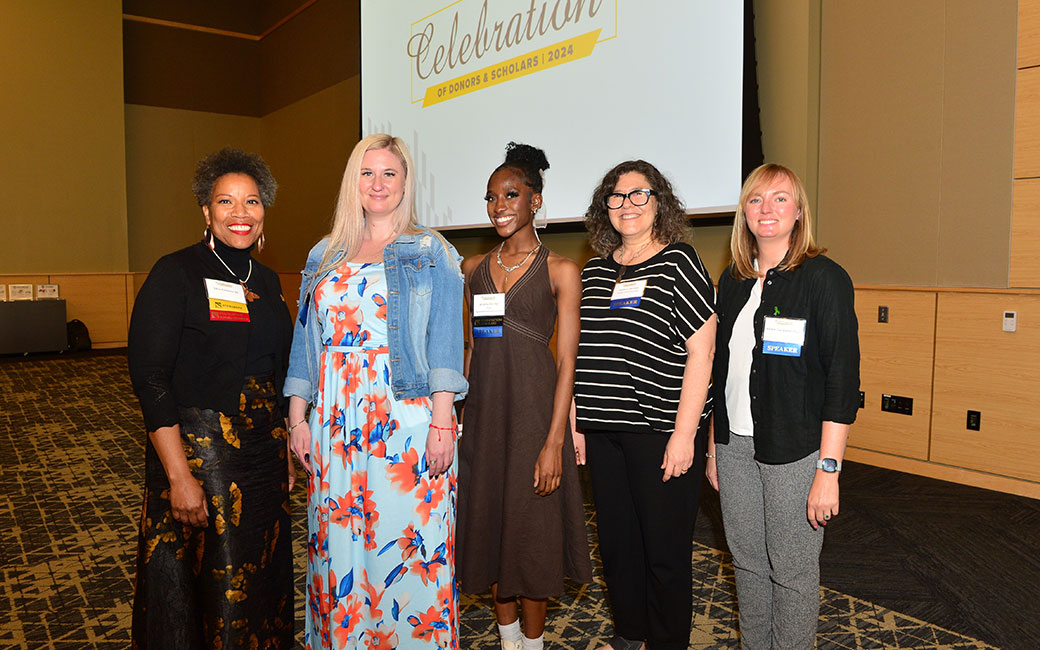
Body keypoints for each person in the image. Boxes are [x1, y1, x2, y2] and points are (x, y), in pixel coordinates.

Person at [284, 133, 467, 650]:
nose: (378, 183)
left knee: (408, 550)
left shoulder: (431, 250)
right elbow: (305, 339)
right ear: (353, 182)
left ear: (405, 183)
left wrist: (442, 420)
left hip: (406, 419)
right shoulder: (325, 252)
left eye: (389, 173)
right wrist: (297, 417)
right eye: (367, 173)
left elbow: (445, 342)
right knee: (338, 549)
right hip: (332, 422)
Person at [128, 147, 294, 648]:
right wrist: (179, 477)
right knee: (214, 584)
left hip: (264, 457)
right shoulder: (174, 273)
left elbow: (278, 371)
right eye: (227, 202)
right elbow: (151, 379)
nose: (240, 214)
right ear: (206, 210)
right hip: (203, 456)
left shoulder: (266, 281)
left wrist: (285, 456)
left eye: (252, 202)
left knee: (263, 578)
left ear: (264, 211)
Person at [706, 163, 860, 650]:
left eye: (779, 199)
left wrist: (828, 469)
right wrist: (713, 447)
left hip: (795, 451)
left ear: (798, 212)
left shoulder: (824, 279)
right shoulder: (730, 280)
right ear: (744, 212)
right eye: (756, 199)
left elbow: (842, 380)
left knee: (791, 572)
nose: (766, 209)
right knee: (747, 564)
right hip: (733, 448)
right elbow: (719, 370)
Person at [574, 160, 716, 650]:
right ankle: (629, 634)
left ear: (660, 203)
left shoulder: (679, 262)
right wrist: (577, 421)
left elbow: (703, 350)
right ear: (604, 207)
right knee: (617, 547)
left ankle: (667, 641)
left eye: (640, 194)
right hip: (602, 430)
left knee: (664, 552)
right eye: (616, 196)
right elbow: (583, 351)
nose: (627, 204)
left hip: (660, 430)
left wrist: (685, 434)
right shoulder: (594, 270)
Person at [457, 143, 593, 650]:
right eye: (491, 197)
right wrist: (461, 419)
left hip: (536, 416)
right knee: (490, 526)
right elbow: (469, 349)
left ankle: (531, 646)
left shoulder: (561, 269)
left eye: (511, 194)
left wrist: (555, 441)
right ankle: (508, 638)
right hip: (486, 419)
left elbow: (567, 363)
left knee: (530, 536)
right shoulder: (471, 269)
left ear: (536, 200)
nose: (499, 206)